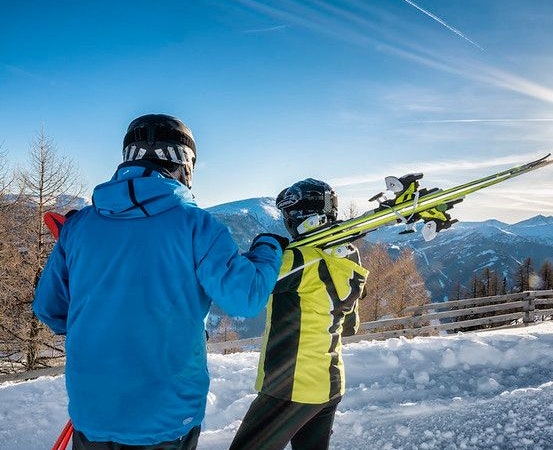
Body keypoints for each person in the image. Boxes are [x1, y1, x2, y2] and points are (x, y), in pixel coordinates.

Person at [33, 114, 285, 450]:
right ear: (184, 163)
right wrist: (268, 248)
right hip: (166, 413)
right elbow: (246, 297)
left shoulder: (79, 227)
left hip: (93, 409)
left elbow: (49, 309)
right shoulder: (197, 225)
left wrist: (102, 330)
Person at [229, 179, 369, 450]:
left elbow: (243, 282)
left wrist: (266, 244)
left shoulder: (299, 260)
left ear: (298, 217)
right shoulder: (350, 258)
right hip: (330, 384)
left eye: (287, 216)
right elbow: (351, 325)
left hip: (290, 387)